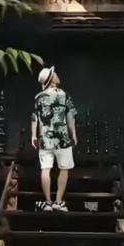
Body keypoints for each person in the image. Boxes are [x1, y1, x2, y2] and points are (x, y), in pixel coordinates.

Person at [31, 66, 77, 212]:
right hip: (63, 138)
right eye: (54, 74)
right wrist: (73, 134)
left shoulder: (39, 97)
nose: (57, 75)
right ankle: (58, 201)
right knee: (64, 168)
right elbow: (70, 116)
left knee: (45, 169)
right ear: (51, 79)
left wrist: (33, 135)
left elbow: (34, 118)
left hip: (45, 139)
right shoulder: (64, 95)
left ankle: (48, 203)